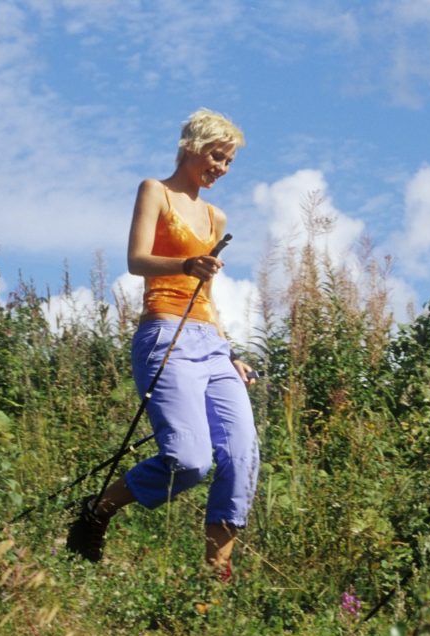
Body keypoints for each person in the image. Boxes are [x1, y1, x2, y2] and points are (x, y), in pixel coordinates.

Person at [66, 109, 260, 581]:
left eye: (229, 161)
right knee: (189, 461)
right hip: (165, 334)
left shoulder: (217, 217)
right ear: (193, 146)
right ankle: (97, 510)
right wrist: (186, 264)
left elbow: (205, 297)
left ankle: (217, 573)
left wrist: (231, 352)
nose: (222, 168)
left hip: (210, 342)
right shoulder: (155, 191)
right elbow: (136, 261)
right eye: (217, 156)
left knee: (241, 451)